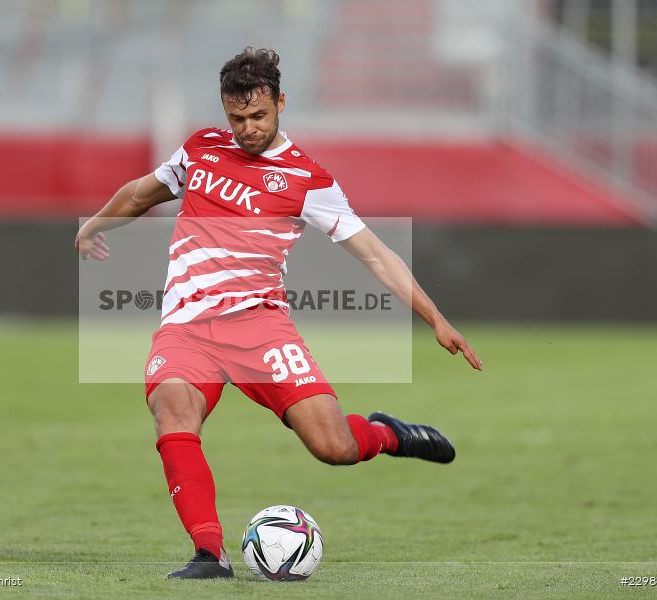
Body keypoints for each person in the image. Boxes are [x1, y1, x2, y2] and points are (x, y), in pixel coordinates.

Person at [75, 47, 482, 580]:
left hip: (260, 328)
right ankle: (209, 555)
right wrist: (94, 225)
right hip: (186, 328)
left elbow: (376, 254)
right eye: (237, 117)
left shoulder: (306, 179)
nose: (247, 128)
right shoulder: (200, 149)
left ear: (281, 103)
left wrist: (435, 318)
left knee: (333, 447)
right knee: (173, 412)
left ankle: (385, 433)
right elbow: (140, 195)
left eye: (258, 116)